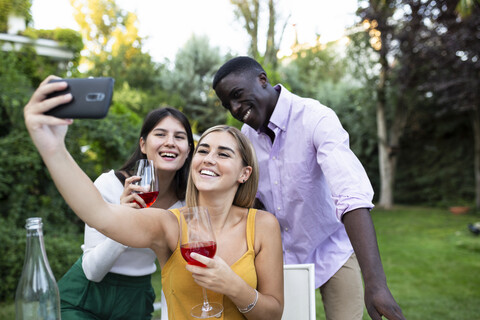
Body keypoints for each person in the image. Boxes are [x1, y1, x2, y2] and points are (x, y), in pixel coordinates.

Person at [24, 75, 284, 320]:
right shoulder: (169, 224)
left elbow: (273, 313)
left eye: (224, 154)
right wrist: (53, 147)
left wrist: (233, 286)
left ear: (244, 173)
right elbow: (98, 214)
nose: (209, 159)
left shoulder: (263, 225)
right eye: (203, 150)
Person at [212, 56, 406, 320]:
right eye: (228, 104)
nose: (234, 108)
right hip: (276, 258)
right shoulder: (245, 138)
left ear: (262, 80)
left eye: (237, 95)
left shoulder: (316, 118)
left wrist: (377, 284)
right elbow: (247, 200)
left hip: (331, 248)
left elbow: (350, 195)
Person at [57, 106, 195, 320]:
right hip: (83, 297)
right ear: (143, 144)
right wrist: (125, 220)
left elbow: (174, 277)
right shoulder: (109, 184)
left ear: (187, 150)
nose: (170, 142)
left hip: (136, 300)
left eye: (179, 137)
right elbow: (92, 271)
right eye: (160, 134)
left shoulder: (186, 205)